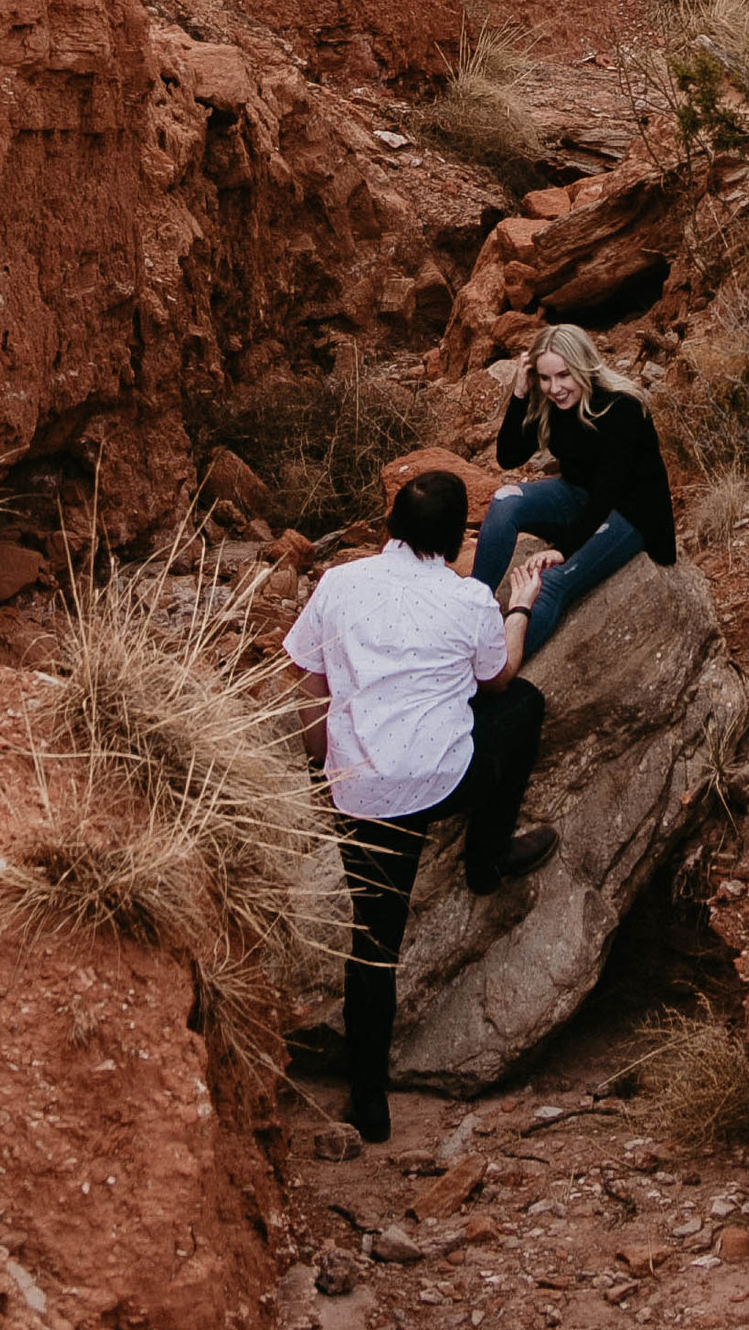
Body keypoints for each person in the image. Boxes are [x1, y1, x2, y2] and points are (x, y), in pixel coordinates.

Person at [284, 466, 556, 1144]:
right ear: (458, 537)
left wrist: (324, 765)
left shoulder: (340, 583)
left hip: (363, 787)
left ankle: (367, 1103)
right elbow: (497, 680)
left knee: (373, 942)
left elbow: (308, 683)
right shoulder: (467, 599)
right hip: (441, 780)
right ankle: (487, 856)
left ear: (390, 528)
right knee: (525, 707)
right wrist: (519, 604)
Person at [475, 321, 677, 655]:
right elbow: (508, 456)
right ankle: (470, 606)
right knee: (504, 499)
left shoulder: (622, 409)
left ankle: (497, 668)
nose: (554, 388)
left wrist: (563, 549)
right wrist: (521, 392)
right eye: (545, 377)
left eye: (564, 375)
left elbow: (607, 492)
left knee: (550, 582)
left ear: (584, 367)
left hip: (629, 514)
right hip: (579, 496)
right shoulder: (551, 405)